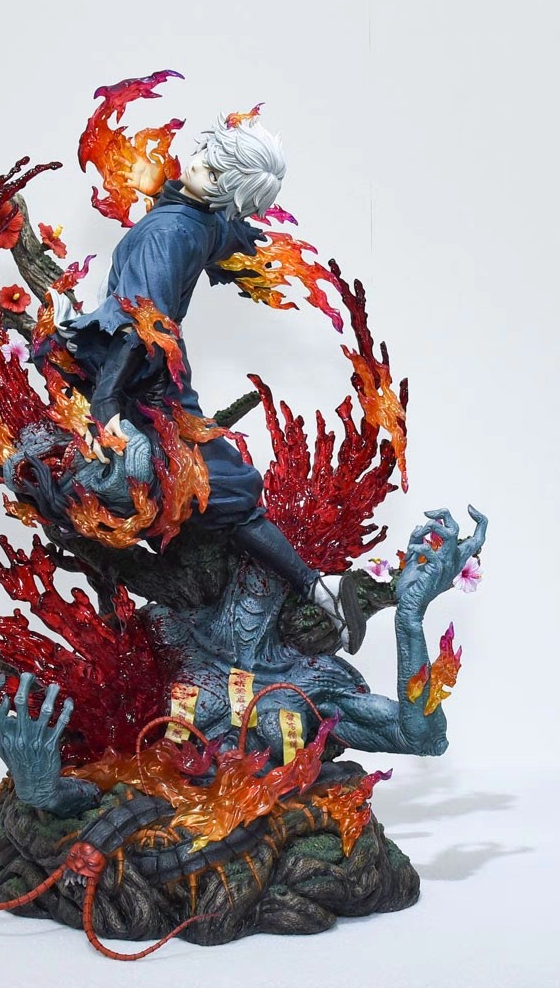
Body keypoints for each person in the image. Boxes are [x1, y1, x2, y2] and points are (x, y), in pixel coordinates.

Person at [42, 114, 366, 653]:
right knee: (202, 482)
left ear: (226, 196)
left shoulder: (176, 231)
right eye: (207, 157)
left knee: (226, 483)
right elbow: (207, 244)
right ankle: (313, 586)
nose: (196, 166)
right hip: (135, 369)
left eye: (215, 174)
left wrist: (107, 397)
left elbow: (145, 325)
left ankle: (312, 587)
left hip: (143, 373)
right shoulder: (194, 222)